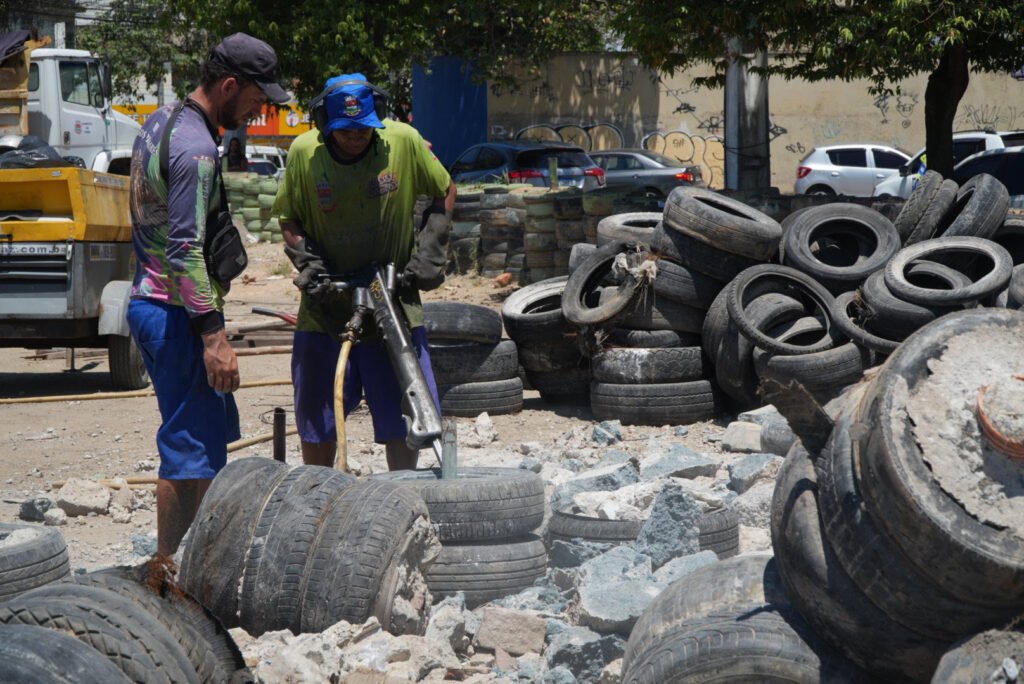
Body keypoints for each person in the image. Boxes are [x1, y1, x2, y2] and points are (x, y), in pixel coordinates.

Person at [127, 33, 290, 557]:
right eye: (256, 98)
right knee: (188, 453)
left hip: (157, 303)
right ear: (228, 85)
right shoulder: (196, 149)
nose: (260, 111)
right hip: (176, 313)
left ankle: (191, 564)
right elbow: (183, 250)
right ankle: (169, 573)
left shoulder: (162, 120)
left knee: (203, 446)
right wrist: (214, 338)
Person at [274, 73, 456, 471]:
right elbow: (289, 217)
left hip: (394, 297)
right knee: (318, 414)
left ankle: (402, 489)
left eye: (364, 130)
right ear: (325, 124)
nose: (356, 138)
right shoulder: (304, 153)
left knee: (406, 411)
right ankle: (317, 489)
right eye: (346, 132)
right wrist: (309, 264)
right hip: (327, 303)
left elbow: (444, 189)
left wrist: (430, 251)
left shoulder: (403, 141)